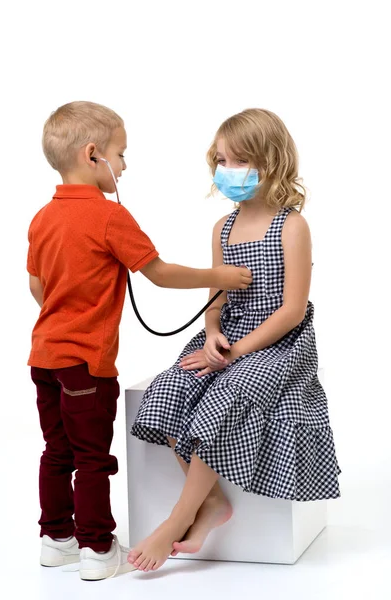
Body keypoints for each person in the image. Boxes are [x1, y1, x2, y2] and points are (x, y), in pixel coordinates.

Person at [27, 101, 252, 581]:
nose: (125, 165)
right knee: (91, 457)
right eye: (121, 154)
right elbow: (160, 274)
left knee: (56, 451)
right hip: (86, 363)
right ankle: (96, 548)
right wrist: (221, 276)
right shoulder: (109, 218)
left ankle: (56, 540)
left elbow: (37, 288)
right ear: (94, 155)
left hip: (44, 358)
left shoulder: (43, 217)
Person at [129, 108, 341, 573]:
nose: (228, 171)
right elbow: (216, 300)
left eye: (239, 160)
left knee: (229, 393)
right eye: (221, 160)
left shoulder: (292, 226)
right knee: (167, 391)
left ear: (270, 161)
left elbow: (292, 310)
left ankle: (177, 519)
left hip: (280, 342)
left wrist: (238, 354)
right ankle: (212, 504)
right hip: (230, 335)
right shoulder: (222, 228)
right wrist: (211, 335)